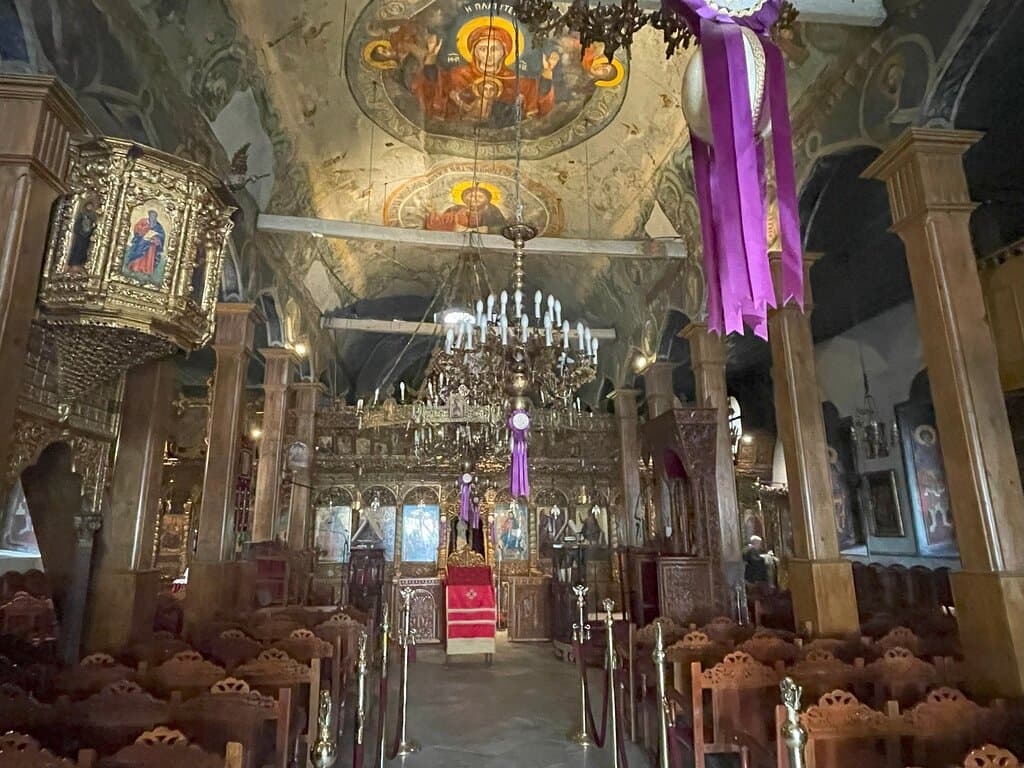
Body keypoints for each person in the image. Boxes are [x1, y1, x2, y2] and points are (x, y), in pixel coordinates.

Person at [411, 24, 558, 124]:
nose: (488, 55)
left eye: (494, 49)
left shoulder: (518, 80)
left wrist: (547, 72)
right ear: (474, 51)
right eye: (482, 49)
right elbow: (434, 86)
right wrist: (431, 57)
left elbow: (538, 99)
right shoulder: (457, 75)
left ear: (504, 52)